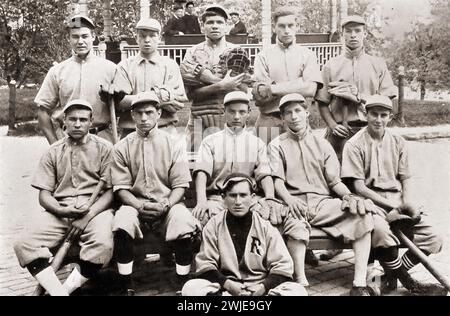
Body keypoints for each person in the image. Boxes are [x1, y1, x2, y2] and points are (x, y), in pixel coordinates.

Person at [268, 93, 376, 296]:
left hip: (322, 203)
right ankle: (301, 282)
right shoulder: (277, 145)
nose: (294, 116)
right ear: (282, 118)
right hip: (294, 202)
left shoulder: (322, 144)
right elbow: (277, 181)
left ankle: (359, 283)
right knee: (295, 225)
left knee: (361, 216)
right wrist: (289, 200)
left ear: (307, 113)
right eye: (288, 113)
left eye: (298, 111)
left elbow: (334, 181)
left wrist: (348, 196)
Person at [341, 95, 446, 296]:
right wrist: (392, 208)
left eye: (383, 115)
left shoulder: (398, 142)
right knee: (381, 233)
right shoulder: (354, 144)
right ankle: (410, 283)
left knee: (434, 237)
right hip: (370, 203)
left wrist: (406, 205)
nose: (378, 120)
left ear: (390, 117)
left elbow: (405, 178)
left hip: (397, 202)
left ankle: (392, 274)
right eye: (373, 114)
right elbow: (359, 188)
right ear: (365, 114)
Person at [14, 99, 115, 296]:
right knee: (23, 243)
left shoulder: (105, 148)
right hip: (60, 210)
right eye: (73, 119)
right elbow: (44, 195)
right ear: (64, 123)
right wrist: (61, 210)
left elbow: (112, 191)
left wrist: (88, 216)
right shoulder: (53, 151)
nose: (78, 124)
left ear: (91, 122)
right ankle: (59, 293)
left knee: (102, 244)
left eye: (83, 120)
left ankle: (67, 289)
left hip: (95, 211)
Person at [111, 91, 201, 296]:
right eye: (139, 113)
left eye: (149, 112)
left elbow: (180, 184)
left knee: (183, 219)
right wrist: (139, 206)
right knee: (123, 220)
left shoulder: (173, 144)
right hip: (135, 204)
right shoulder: (121, 147)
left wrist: (166, 205)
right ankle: (127, 284)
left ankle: (182, 282)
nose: (144, 118)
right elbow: (121, 188)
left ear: (158, 113)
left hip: (167, 203)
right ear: (132, 115)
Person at [182, 173, 307, 296]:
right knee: (191, 288)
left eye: (243, 195)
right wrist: (228, 284)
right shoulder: (213, 225)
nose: (238, 201)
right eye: (232, 195)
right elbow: (205, 265)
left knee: (298, 291)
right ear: (223, 197)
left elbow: (283, 266)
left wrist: (263, 287)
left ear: (252, 197)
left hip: (259, 286)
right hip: (226, 287)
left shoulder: (265, 226)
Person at [315, 15, 397, 162]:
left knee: (370, 174)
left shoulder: (377, 64)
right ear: (342, 34)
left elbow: (387, 100)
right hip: (341, 131)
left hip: (370, 128)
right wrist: (333, 125)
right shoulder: (331, 65)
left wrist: (359, 96)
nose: (353, 35)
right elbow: (322, 102)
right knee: (339, 175)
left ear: (364, 33)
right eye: (348, 31)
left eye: (358, 31)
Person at [35, 15, 117, 144]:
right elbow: (43, 111)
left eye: (84, 36)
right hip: (68, 141)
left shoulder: (110, 69)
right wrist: (54, 144)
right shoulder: (58, 71)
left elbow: (124, 108)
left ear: (93, 37)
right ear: (69, 39)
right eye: (75, 37)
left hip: (102, 141)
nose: (80, 41)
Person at [180, 4, 245, 151]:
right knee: (195, 161)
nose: (215, 26)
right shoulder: (193, 52)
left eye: (219, 22)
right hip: (199, 115)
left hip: (228, 115)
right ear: (203, 27)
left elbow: (242, 89)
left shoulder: (237, 52)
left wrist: (205, 78)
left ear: (227, 26)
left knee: (230, 162)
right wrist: (221, 85)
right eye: (210, 22)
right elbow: (190, 94)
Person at [252, 8, 322, 144]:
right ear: (274, 28)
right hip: (270, 119)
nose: (286, 30)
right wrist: (299, 83)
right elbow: (261, 94)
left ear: (297, 27)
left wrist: (272, 88)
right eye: (282, 26)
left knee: (300, 161)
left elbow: (310, 90)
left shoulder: (307, 55)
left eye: (291, 25)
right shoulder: (263, 56)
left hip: (298, 120)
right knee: (265, 161)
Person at [113, 18, 187, 138]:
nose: (147, 40)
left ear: (160, 38)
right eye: (142, 36)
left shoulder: (170, 65)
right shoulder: (125, 66)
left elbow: (177, 103)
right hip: (132, 132)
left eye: (152, 35)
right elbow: (120, 101)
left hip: (164, 130)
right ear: (136, 38)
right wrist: (158, 96)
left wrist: (135, 99)